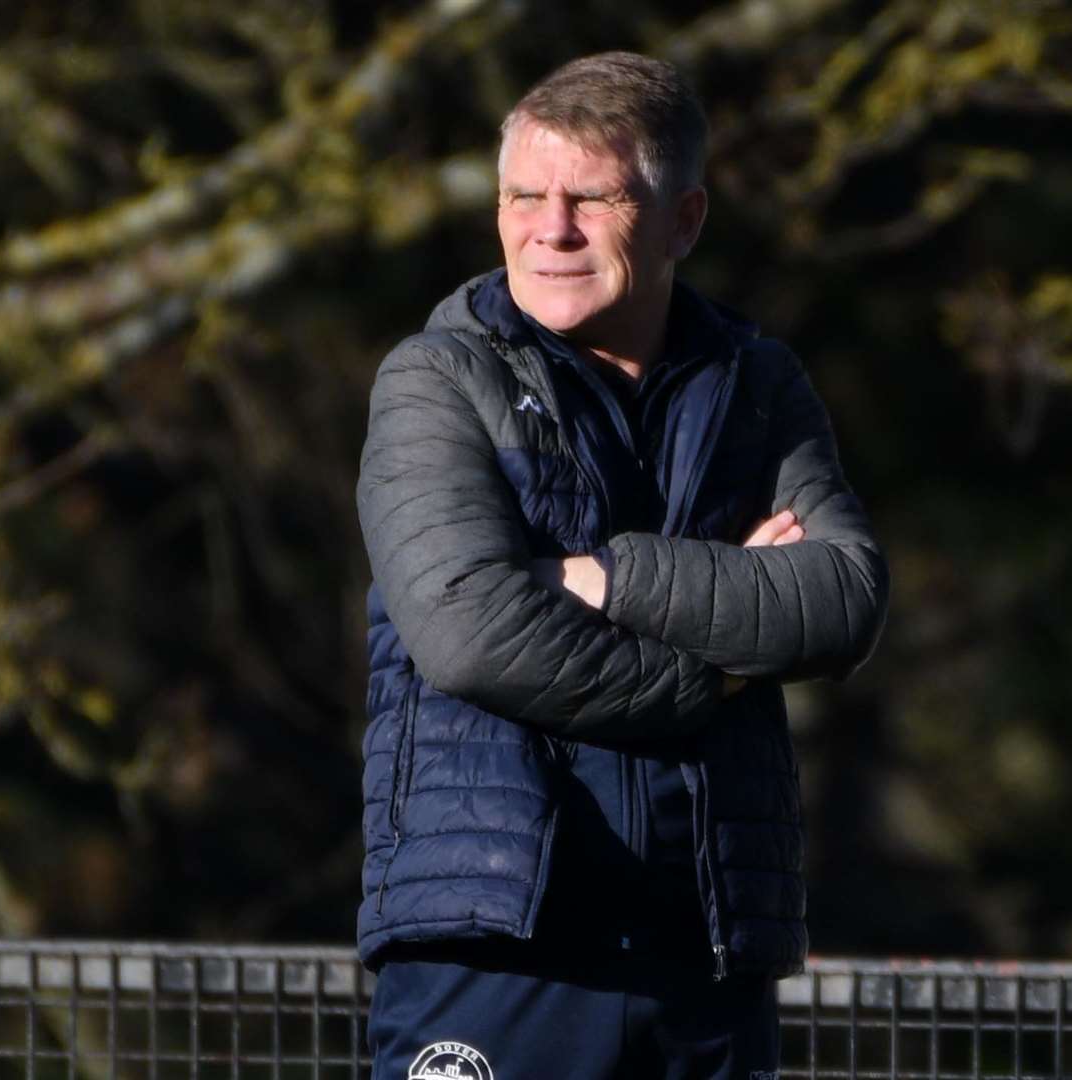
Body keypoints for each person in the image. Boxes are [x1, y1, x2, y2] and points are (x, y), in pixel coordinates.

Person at [355, 51, 888, 1080]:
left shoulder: (758, 385)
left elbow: (842, 600)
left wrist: (610, 577)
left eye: (590, 197)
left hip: (708, 944)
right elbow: (472, 633)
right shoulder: (435, 380)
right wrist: (725, 668)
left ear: (683, 219)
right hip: (498, 940)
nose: (548, 229)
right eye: (523, 195)